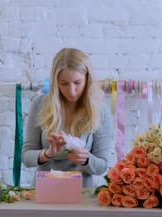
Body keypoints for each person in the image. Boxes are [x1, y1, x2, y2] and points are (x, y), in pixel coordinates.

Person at [22, 48, 114, 188]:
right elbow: (26, 158)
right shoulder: (40, 104)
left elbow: (102, 167)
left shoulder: (100, 111)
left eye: (77, 83)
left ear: (87, 80)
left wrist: (86, 159)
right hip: (44, 192)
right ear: (55, 82)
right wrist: (48, 153)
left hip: (82, 195)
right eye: (63, 83)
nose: (71, 91)